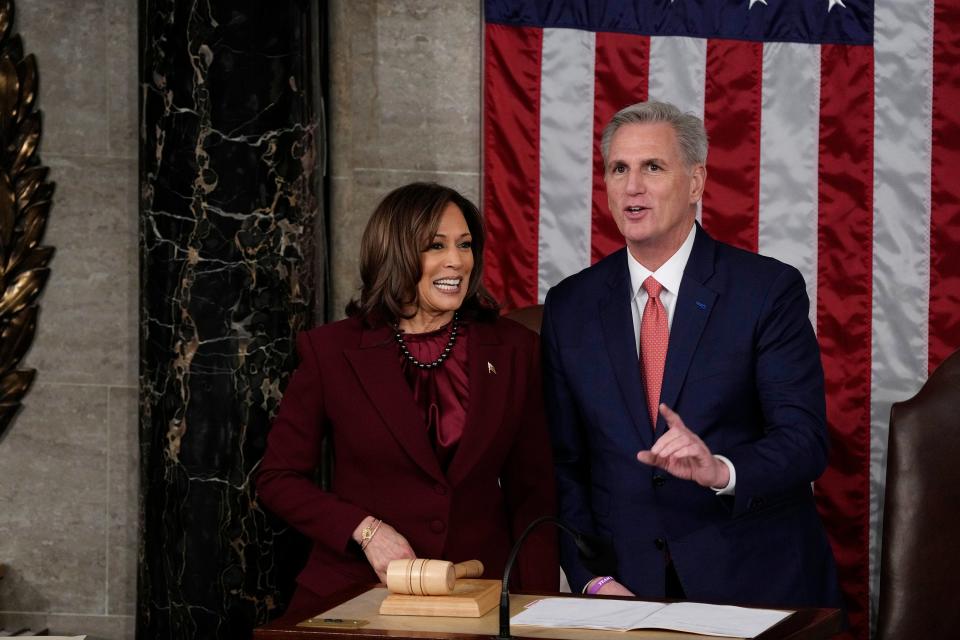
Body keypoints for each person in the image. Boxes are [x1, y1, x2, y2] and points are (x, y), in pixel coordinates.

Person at [542, 101, 842, 608]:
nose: (632, 186)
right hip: (625, 590)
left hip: (751, 580)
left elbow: (804, 440)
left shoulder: (766, 290)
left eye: (652, 167)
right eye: (619, 169)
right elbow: (564, 464)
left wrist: (720, 469)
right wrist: (592, 578)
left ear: (696, 183)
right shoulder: (570, 305)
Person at [257, 182, 558, 620]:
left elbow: (534, 495)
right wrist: (365, 531)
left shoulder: (514, 350)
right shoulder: (331, 352)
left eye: (465, 245)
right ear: (395, 252)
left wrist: (535, 610)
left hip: (476, 594)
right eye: (435, 246)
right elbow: (278, 478)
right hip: (355, 589)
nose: (457, 260)